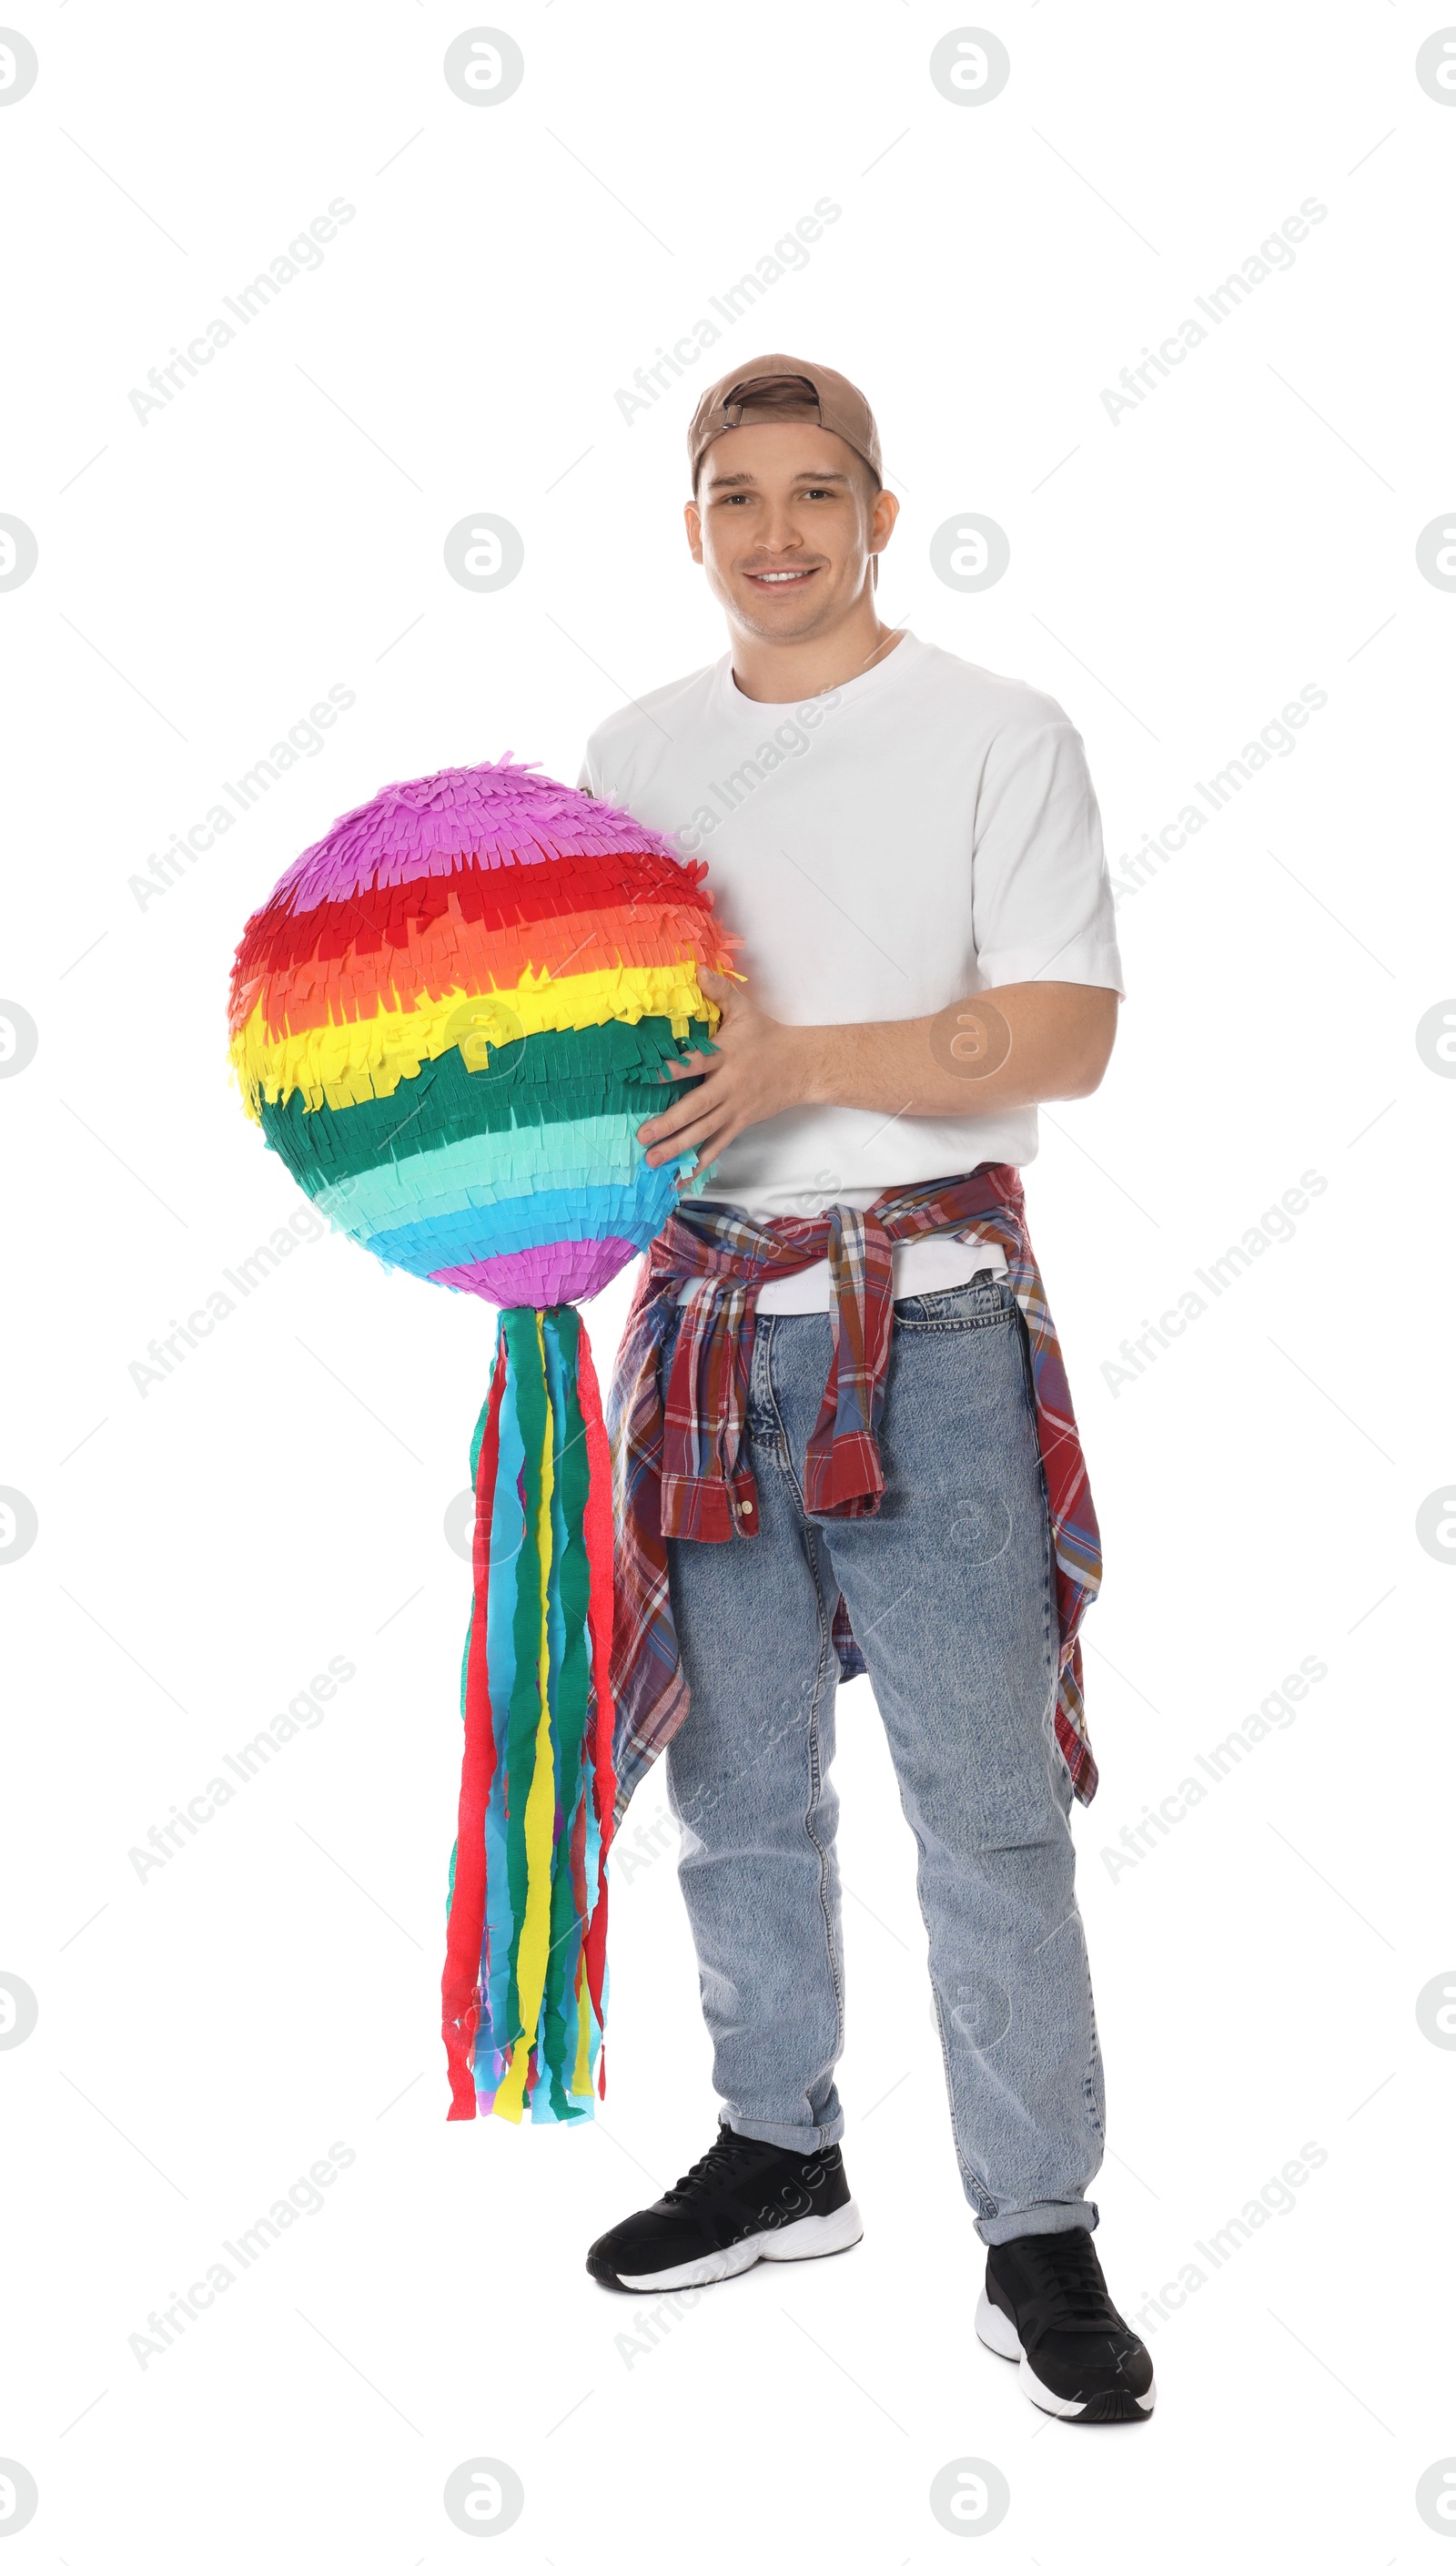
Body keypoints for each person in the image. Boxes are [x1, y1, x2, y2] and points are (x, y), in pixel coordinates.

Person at [576, 357, 1154, 2424]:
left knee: (984, 1805)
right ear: (693, 527)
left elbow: (1064, 1029)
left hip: (928, 1325)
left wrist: (802, 1064)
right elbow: (602, 1049)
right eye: (735, 496)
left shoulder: (993, 732)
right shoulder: (630, 756)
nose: (777, 533)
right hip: (707, 1328)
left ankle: (1035, 2234)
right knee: (731, 1790)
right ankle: (777, 2149)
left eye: (816, 493)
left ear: (880, 513)